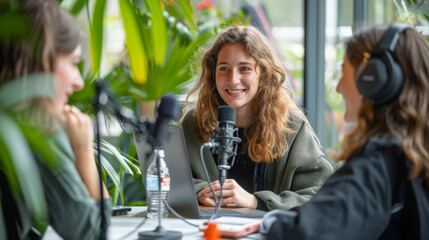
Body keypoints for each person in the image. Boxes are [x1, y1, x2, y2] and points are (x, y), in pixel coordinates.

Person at [261, 23, 429, 239]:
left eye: (344, 73)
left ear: (373, 80)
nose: (339, 87)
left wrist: (271, 223)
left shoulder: (379, 159)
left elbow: (308, 233)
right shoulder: (413, 153)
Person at [180, 25, 333, 211]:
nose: (233, 79)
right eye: (224, 68)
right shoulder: (194, 121)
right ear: (213, 74)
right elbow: (163, 176)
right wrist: (201, 191)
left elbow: (320, 193)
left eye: (244, 68)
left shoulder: (291, 126)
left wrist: (256, 201)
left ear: (263, 73)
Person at [0, 0, 112, 239]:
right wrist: (84, 153)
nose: (79, 82)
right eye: (73, 63)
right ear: (41, 59)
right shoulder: (35, 125)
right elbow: (92, 233)